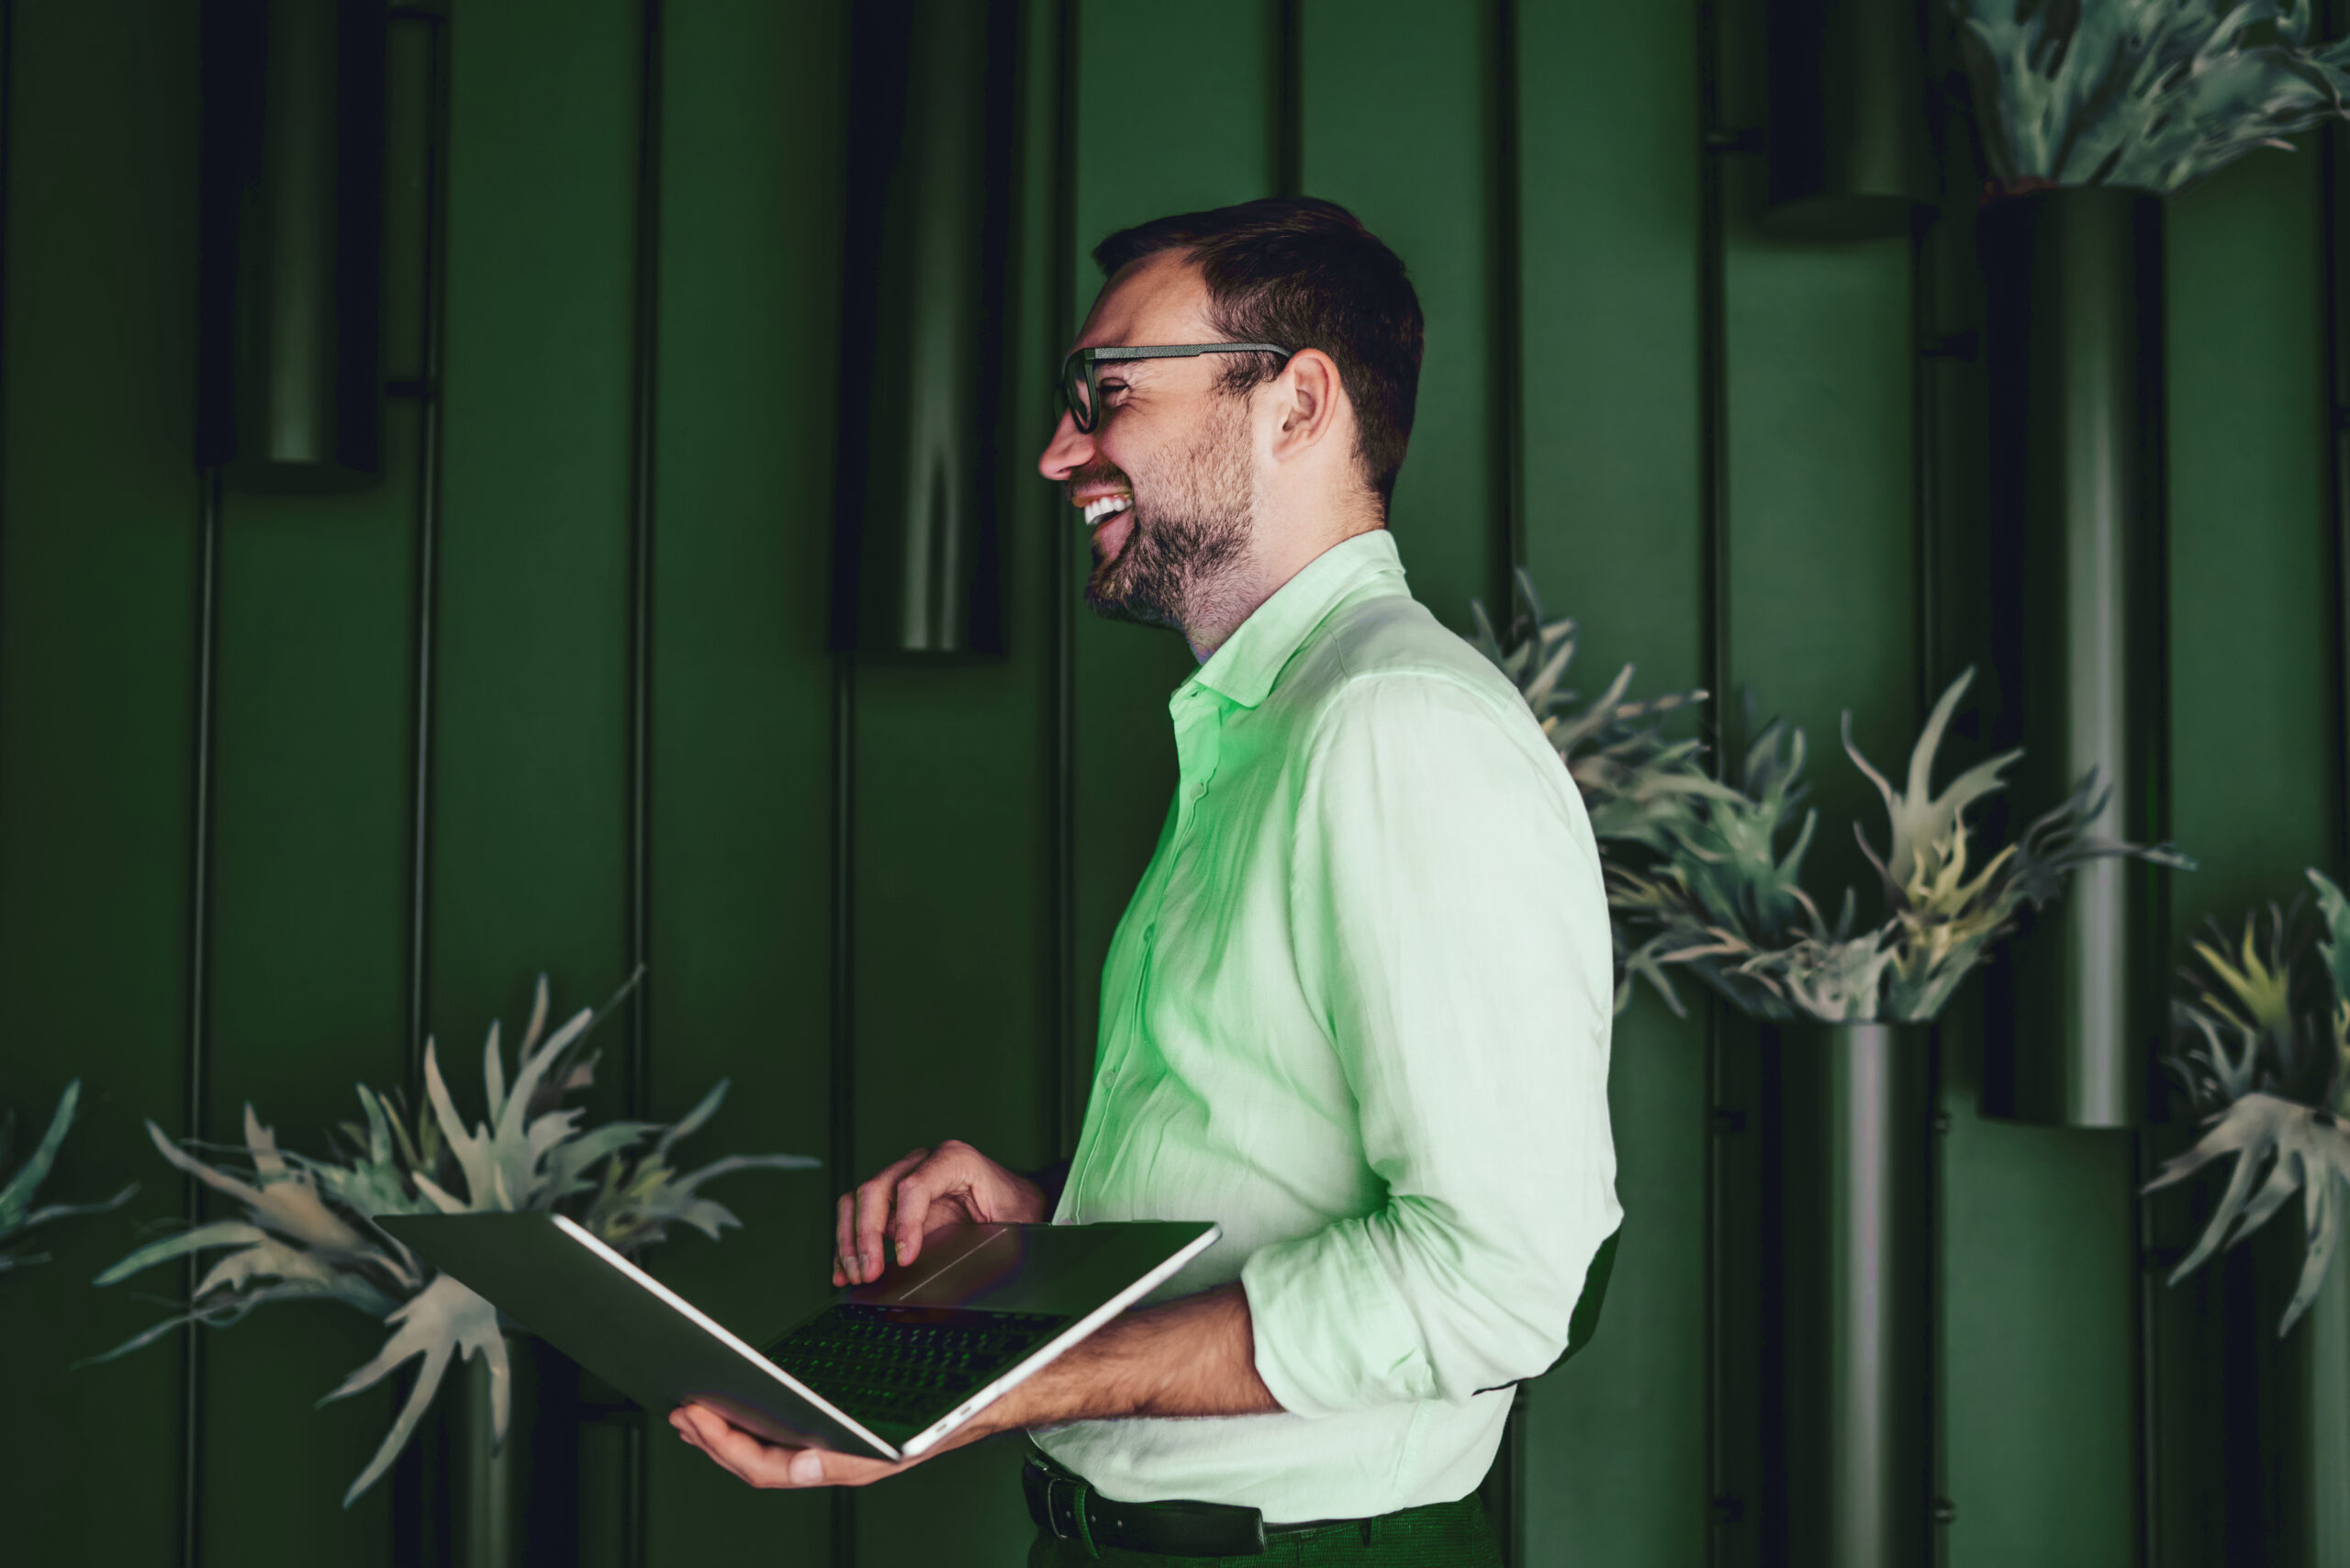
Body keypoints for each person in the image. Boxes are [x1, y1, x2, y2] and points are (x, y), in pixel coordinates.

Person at [672, 196, 1620, 1566]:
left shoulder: (1394, 728)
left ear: (1296, 403)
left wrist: (998, 1379)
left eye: (1107, 392)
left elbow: (1502, 1279)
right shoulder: (1271, 722)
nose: (1063, 450)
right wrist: (1058, 1219)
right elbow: (1283, 1145)